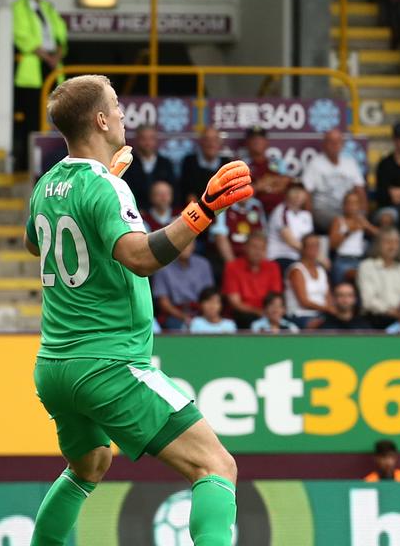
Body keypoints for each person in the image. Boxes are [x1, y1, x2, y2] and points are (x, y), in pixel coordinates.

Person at [27, 75, 247, 546]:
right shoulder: (105, 186)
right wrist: (202, 210)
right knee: (215, 465)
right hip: (108, 363)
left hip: (54, 365)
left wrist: (102, 193)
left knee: (88, 465)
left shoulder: (48, 182)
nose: (125, 114)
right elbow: (140, 257)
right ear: (102, 120)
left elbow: (34, 240)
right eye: (118, 107)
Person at [13, 0, 68, 172]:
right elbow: (22, 36)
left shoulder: (48, 7)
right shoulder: (19, 7)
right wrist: (47, 56)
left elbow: (61, 33)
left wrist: (59, 53)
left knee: (58, 115)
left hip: (53, 67)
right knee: (32, 119)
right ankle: (29, 164)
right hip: (33, 70)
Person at [301, 130, 365, 233]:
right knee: (339, 223)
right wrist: (309, 218)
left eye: (338, 142)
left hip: (348, 208)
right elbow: (306, 192)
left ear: (343, 144)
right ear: (324, 144)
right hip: (323, 210)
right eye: (331, 142)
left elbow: (360, 190)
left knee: (359, 220)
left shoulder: (350, 163)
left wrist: (363, 212)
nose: (335, 145)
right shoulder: (315, 164)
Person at [358, 229, 400, 324]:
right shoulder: (367, 266)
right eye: (388, 242)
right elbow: (368, 301)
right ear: (378, 244)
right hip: (378, 316)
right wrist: (392, 311)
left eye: (396, 242)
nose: (393, 247)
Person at [221, 231, 281, 329]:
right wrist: (258, 312)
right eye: (254, 247)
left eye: (262, 248)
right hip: (243, 314)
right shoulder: (232, 267)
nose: (258, 251)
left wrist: (271, 312)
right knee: (246, 318)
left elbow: (275, 298)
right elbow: (235, 302)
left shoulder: (273, 267)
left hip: (268, 311)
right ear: (245, 247)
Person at [151, 239, 214, 331]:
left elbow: (210, 296)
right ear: (173, 245)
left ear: (194, 245)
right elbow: (163, 302)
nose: (185, 247)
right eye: (181, 242)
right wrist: (183, 317)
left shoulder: (203, 264)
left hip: (201, 313)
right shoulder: (163, 267)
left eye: (189, 243)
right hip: (174, 315)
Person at [328, 191, 377, 284]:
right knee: (360, 277)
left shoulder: (361, 220)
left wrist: (367, 226)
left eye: (355, 203)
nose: (352, 206)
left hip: (359, 260)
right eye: (349, 203)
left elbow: (380, 235)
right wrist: (349, 231)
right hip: (342, 261)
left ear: (359, 206)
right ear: (344, 205)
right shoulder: (338, 220)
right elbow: (332, 245)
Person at [284, 235, 330, 327]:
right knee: (323, 325)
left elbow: (328, 297)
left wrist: (330, 309)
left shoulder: (321, 270)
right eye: (311, 245)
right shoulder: (296, 270)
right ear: (303, 248)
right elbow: (304, 302)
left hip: (321, 314)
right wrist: (328, 309)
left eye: (317, 245)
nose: (315, 248)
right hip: (300, 315)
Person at [266, 183, 313, 272]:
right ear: (286, 193)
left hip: (299, 258)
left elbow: (310, 241)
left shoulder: (306, 215)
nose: (298, 195)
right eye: (294, 191)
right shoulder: (281, 211)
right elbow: (291, 241)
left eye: (301, 191)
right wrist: (315, 255)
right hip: (279, 256)